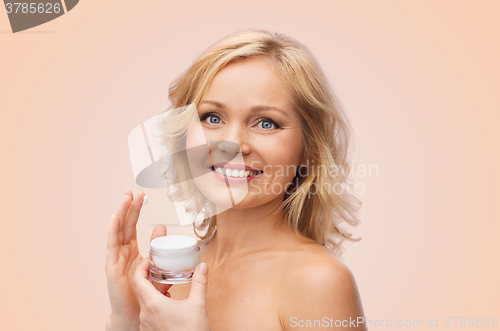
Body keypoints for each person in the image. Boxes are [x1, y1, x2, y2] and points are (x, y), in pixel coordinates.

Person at [105, 29, 367, 330]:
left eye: (266, 123)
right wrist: (125, 319)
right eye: (212, 118)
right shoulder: (171, 273)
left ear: (310, 150)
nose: (231, 144)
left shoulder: (317, 280)